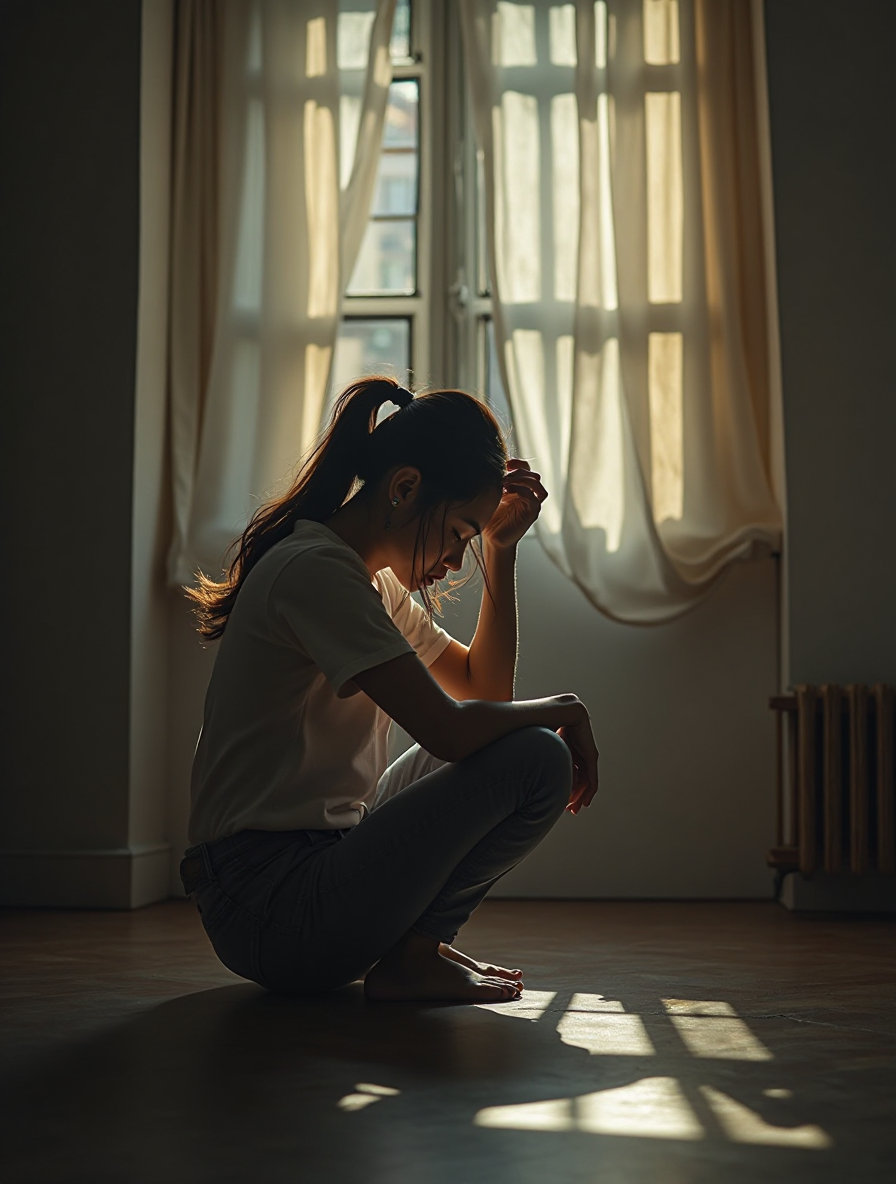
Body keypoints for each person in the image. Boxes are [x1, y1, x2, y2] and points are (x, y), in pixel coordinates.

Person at [180, 376, 599, 1004]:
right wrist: (567, 708)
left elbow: (483, 694)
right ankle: (412, 958)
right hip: (267, 903)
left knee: (525, 744)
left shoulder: (371, 583)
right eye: (460, 532)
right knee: (538, 755)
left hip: (312, 867)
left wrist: (501, 549)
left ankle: (413, 952)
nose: (459, 560)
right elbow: (453, 730)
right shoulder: (314, 571)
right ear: (404, 489)